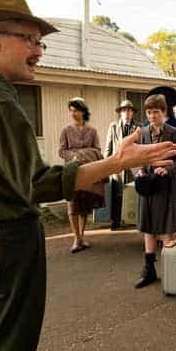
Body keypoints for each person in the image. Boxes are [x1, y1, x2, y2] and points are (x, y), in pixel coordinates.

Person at [0, 0, 176, 351]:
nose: (39, 50)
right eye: (29, 39)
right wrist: (119, 161)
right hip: (7, 239)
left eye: (40, 41)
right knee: (5, 346)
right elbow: (37, 184)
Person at [132, 94, 176, 288]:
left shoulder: (175, 133)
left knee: (165, 226)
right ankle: (149, 270)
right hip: (146, 185)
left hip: (165, 185)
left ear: (164, 112)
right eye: (149, 112)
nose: (152, 116)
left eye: (156, 112)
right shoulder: (141, 133)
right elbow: (132, 157)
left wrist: (169, 169)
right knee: (148, 226)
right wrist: (138, 169)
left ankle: (170, 273)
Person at [58, 97, 104, 253]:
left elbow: (97, 150)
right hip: (71, 172)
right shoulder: (66, 130)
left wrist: (84, 154)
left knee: (84, 206)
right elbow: (61, 151)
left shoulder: (92, 131)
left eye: (76, 110)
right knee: (72, 205)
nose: (73, 114)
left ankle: (81, 237)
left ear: (83, 111)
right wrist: (75, 156)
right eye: (71, 111)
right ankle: (76, 238)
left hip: (88, 172)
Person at [105, 100, 140, 230]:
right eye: (124, 110)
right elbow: (108, 148)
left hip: (133, 166)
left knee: (132, 193)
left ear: (133, 113)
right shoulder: (113, 127)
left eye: (129, 110)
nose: (127, 113)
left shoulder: (138, 128)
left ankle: (132, 219)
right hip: (117, 166)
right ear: (120, 113)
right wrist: (105, 165)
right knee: (117, 193)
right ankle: (116, 221)